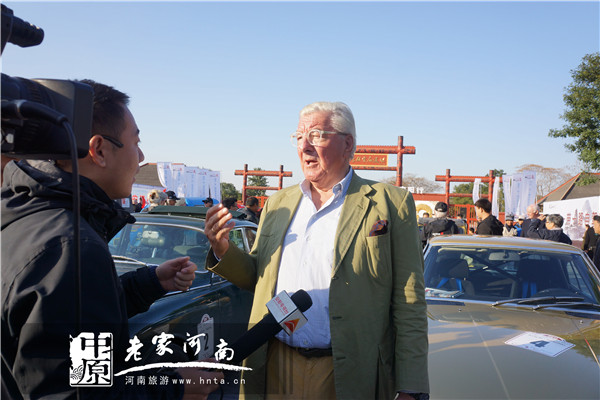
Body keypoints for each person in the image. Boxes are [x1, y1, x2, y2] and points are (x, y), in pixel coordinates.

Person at [1, 80, 222, 399]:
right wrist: (176, 387)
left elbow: (69, 320)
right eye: (136, 142)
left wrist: (150, 283)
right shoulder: (73, 248)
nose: (141, 156)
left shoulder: (23, 213)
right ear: (100, 150)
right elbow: (83, 391)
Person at [204, 101, 429, 400]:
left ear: (347, 144)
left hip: (350, 371)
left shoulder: (390, 202)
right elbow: (257, 277)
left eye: (317, 135)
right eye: (299, 137)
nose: (304, 146)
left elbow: (409, 298)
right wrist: (223, 249)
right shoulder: (279, 204)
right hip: (276, 362)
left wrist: (411, 386)